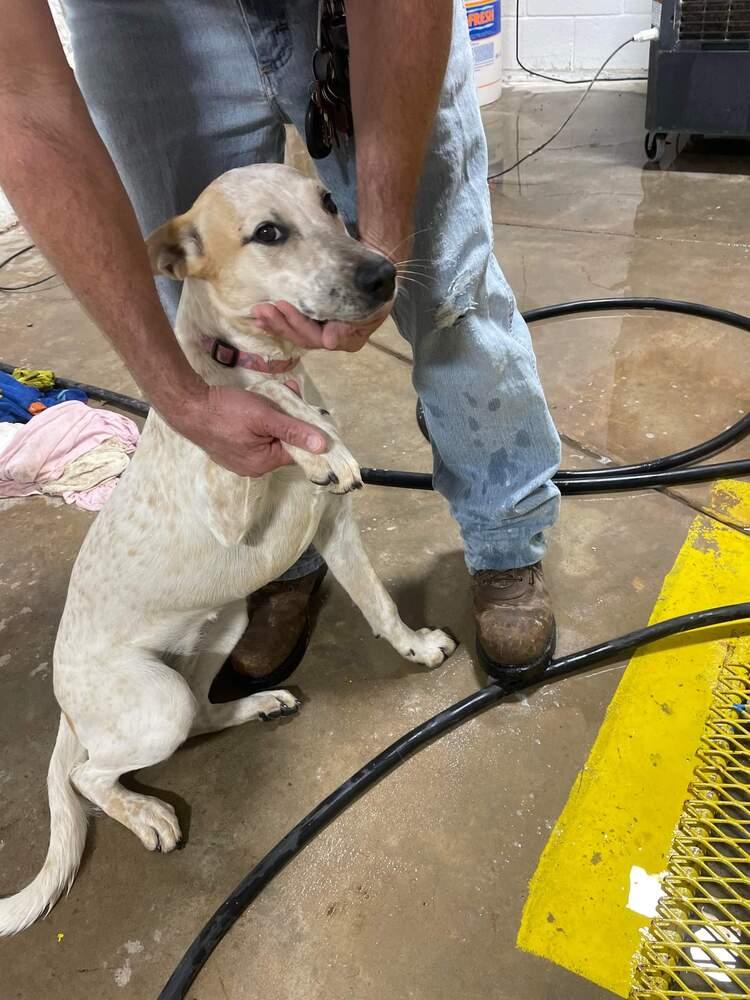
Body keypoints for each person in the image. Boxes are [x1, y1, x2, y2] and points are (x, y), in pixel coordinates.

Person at [0, 0, 561, 686]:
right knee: (215, 321)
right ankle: (283, 559)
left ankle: (505, 541)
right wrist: (179, 397)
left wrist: (380, 244)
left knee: (448, 289)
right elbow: (20, 100)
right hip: (137, 15)